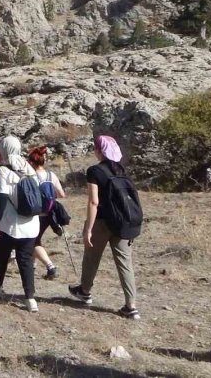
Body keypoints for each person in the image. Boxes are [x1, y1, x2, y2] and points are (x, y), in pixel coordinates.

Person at [69, 136, 141, 320]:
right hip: (123, 222)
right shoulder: (121, 170)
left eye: (96, 148)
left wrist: (88, 229)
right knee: (125, 263)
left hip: (103, 221)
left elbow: (93, 202)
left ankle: (85, 291)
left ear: (100, 151)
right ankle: (131, 306)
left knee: (91, 257)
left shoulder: (94, 171)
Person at [0, 136, 41, 313]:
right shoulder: (28, 167)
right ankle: (30, 298)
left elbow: (2, 198)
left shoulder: (3, 169)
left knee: (1, 256)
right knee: (25, 261)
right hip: (31, 223)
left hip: (9, 224)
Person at [28, 146, 66, 279]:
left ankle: (50, 267)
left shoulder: (31, 177)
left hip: (35, 215)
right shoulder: (51, 175)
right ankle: (32, 266)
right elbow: (61, 194)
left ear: (31, 162)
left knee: (33, 241)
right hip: (49, 214)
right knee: (36, 239)